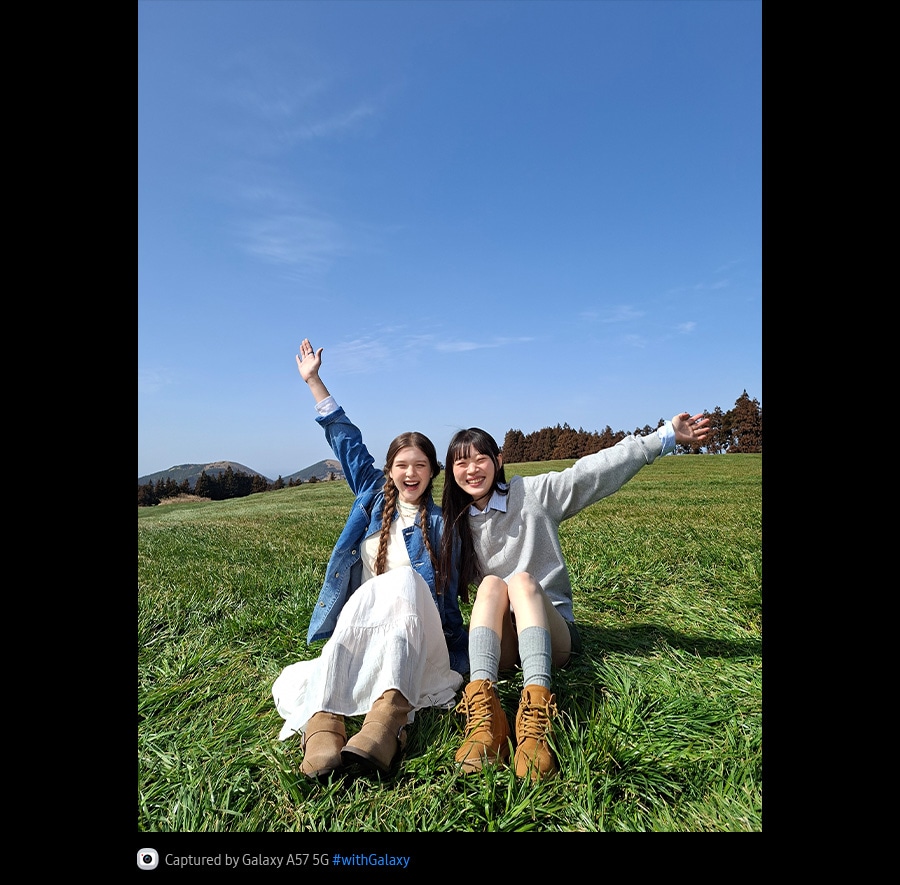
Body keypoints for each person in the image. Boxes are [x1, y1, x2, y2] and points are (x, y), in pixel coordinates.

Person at [439, 412, 710, 781]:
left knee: (521, 582)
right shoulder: (453, 523)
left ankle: (536, 724)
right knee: (490, 586)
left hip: (553, 634)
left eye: (480, 458)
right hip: (503, 648)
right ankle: (485, 721)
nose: (472, 469)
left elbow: (592, 472)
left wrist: (662, 438)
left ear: (498, 460)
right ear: (450, 470)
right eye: (461, 461)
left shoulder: (532, 495)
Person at [272, 339, 467, 780]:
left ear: (432, 472)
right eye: (401, 464)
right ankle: (324, 724)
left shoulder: (441, 524)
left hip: (415, 631)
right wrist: (314, 380)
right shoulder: (371, 498)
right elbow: (345, 439)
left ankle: (387, 720)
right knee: (317, 660)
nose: (410, 473)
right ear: (389, 470)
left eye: (420, 465)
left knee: (399, 584)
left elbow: (447, 595)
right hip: (362, 620)